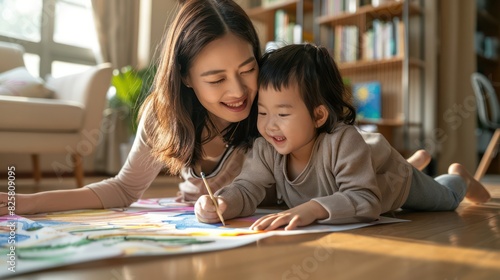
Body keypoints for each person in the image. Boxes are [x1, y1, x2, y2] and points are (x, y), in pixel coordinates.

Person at [0, 0, 430, 216]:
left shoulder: (270, 109)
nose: (240, 91)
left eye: (247, 69)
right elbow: (124, 189)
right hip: (270, 205)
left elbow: (334, 152)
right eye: (216, 79)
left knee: (392, 179)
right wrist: (21, 202)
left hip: (337, 178)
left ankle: (412, 166)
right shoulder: (163, 115)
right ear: (185, 77)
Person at [194, 43, 491, 230]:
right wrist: (222, 202)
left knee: (447, 200)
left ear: (318, 116)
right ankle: (414, 160)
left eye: (282, 115)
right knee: (380, 163)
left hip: (393, 182)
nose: (270, 126)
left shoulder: (342, 141)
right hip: (368, 162)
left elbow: (366, 200)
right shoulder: (265, 148)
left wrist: (315, 208)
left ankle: (459, 177)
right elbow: (247, 188)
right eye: (262, 112)